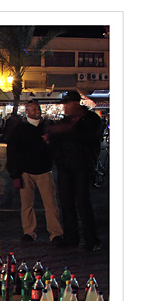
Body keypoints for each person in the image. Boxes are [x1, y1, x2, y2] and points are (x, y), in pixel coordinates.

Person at [46, 90, 103, 251]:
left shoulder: (91, 120)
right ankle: (71, 237)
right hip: (65, 167)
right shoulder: (65, 122)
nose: (64, 108)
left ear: (76, 103)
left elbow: (87, 137)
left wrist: (63, 133)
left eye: (67, 104)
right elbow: (55, 140)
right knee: (66, 203)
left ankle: (91, 239)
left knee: (83, 203)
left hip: (82, 166)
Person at [6, 100, 64, 246]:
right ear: (27, 111)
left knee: (51, 203)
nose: (37, 111)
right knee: (27, 204)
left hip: (44, 169)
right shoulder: (20, 129)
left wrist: (50, 143)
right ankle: (29, 231)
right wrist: (15, 174)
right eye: (34, 109)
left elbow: (58, 146)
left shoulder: (47, 127)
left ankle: (55, 232)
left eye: (38, 109)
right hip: (26, 170)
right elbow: (12, 152)